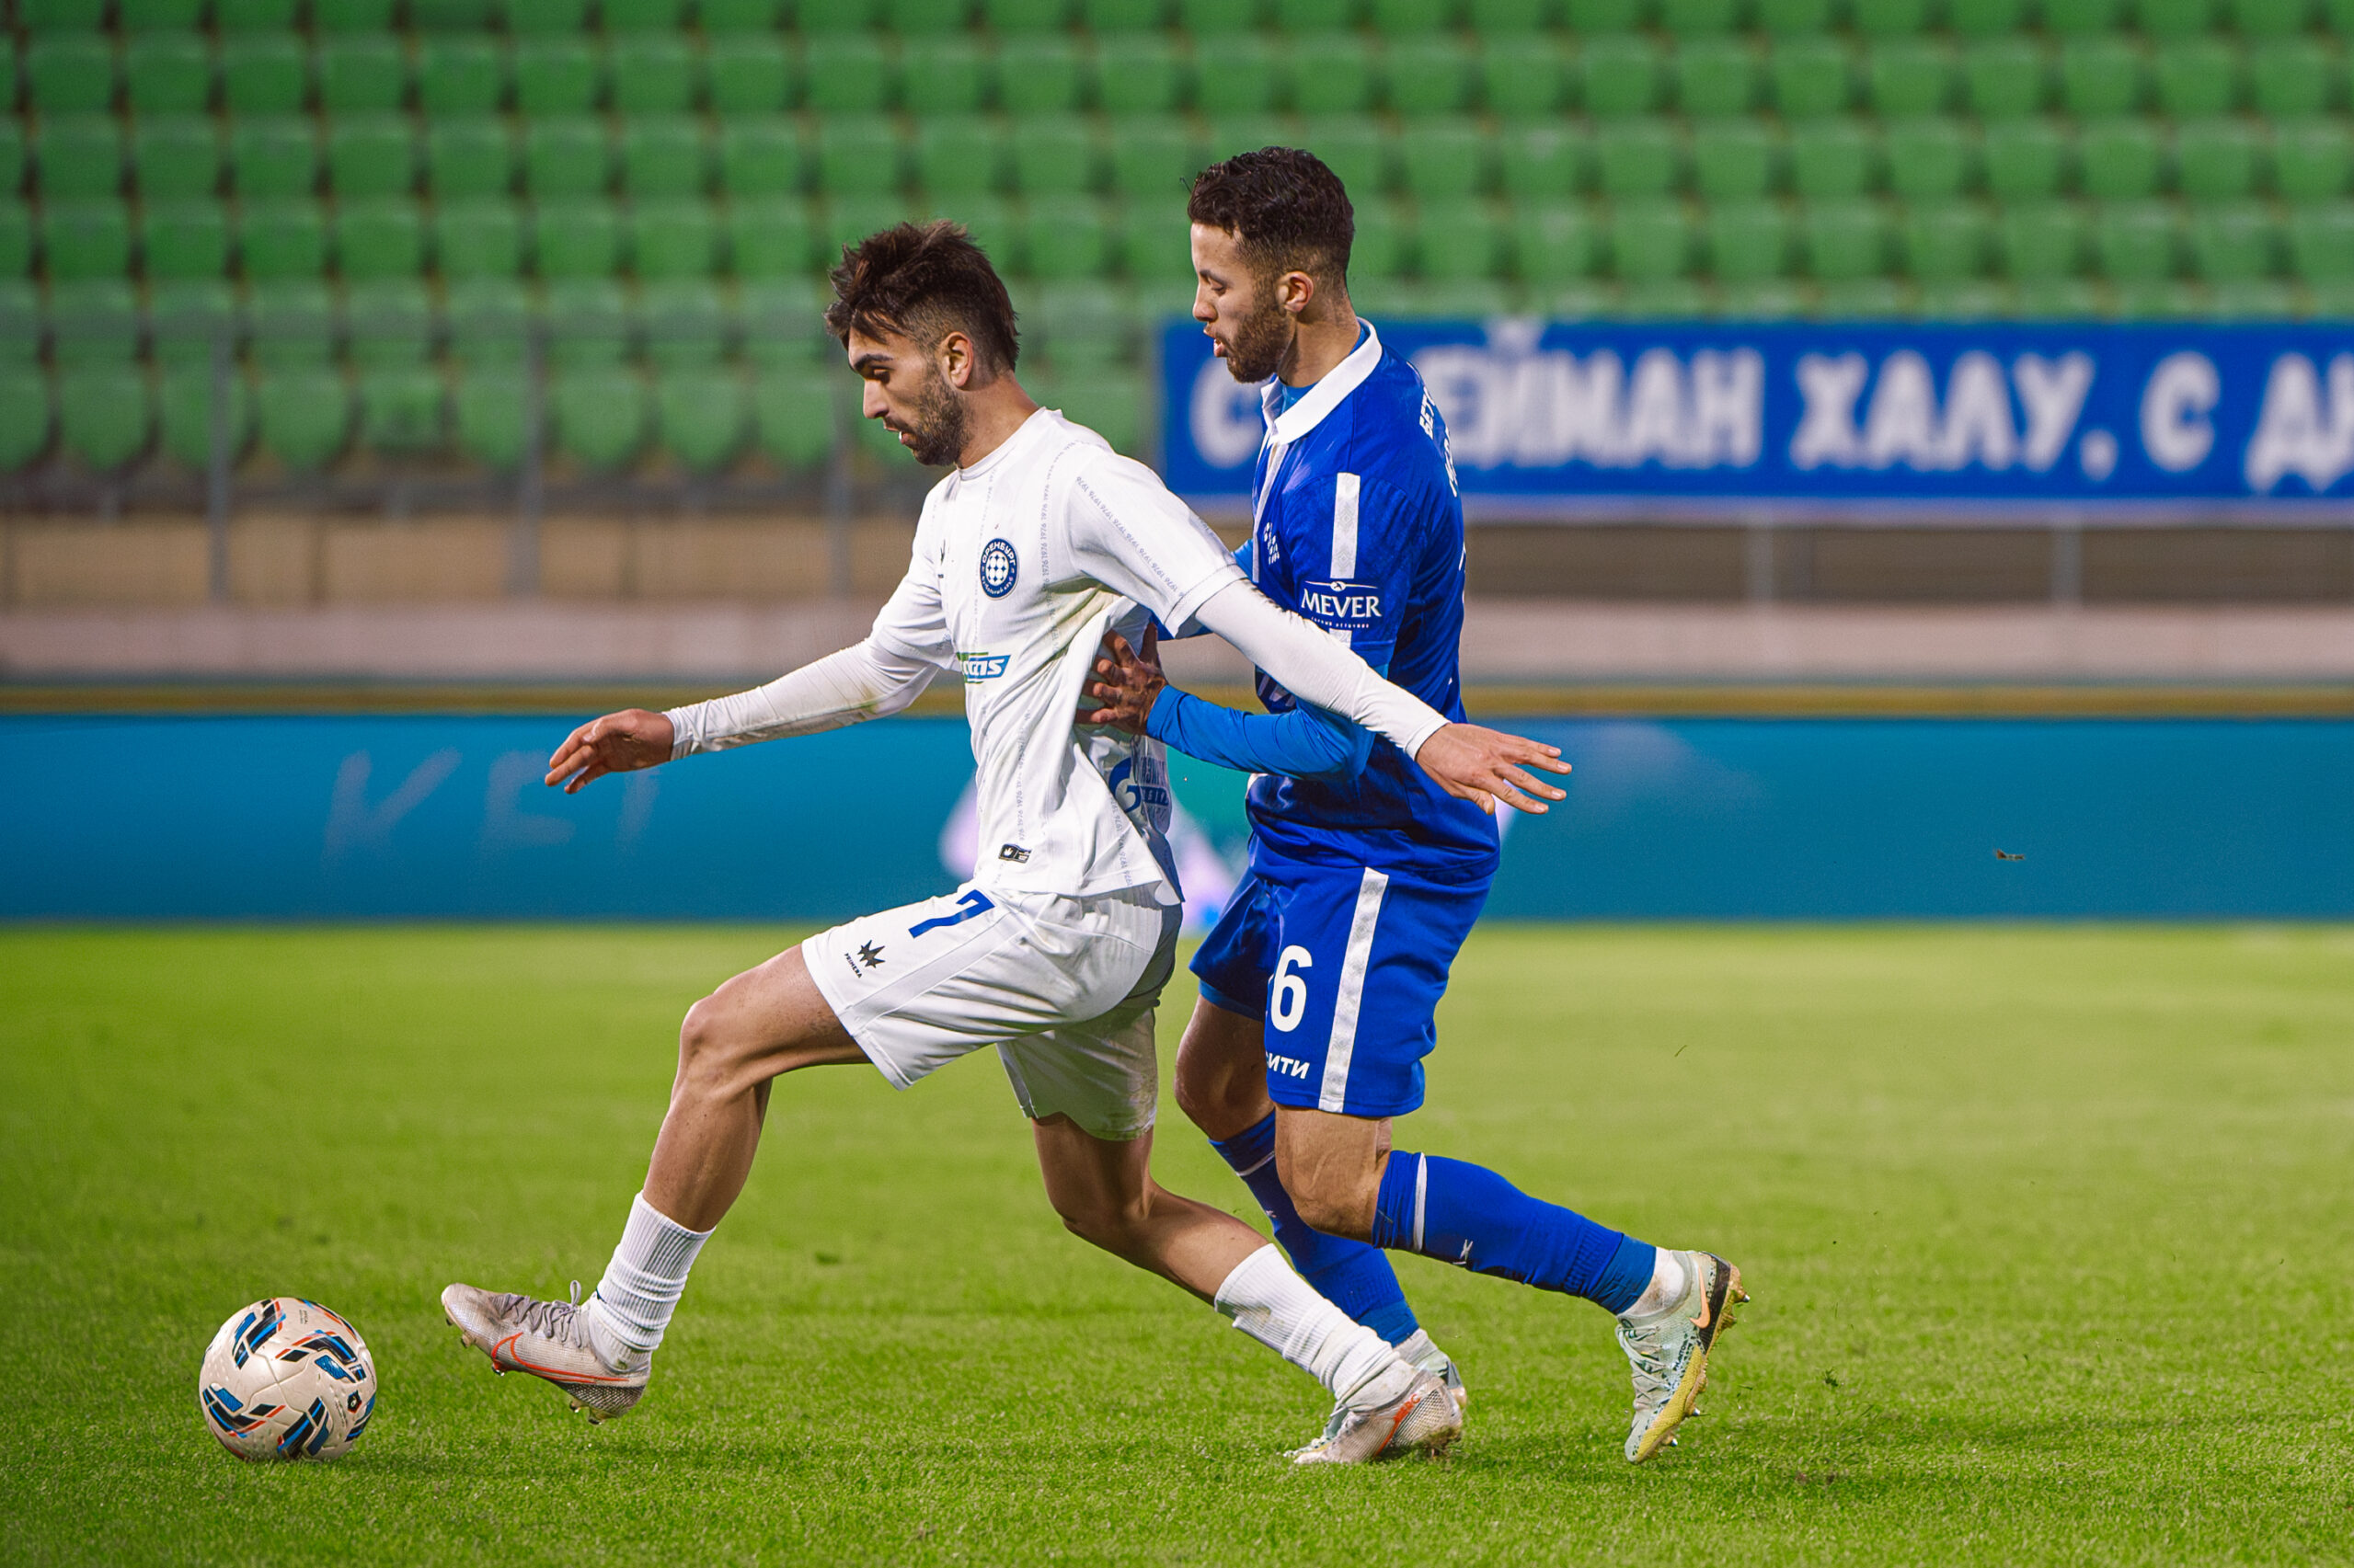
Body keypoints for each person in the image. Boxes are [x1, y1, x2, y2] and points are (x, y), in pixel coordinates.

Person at [439, 220, 1572, 1466]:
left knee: (722, 1035)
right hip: (1097, 912)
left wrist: (1424, 731)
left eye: (880, 372)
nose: (869, 403)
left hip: (1065, 903)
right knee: (1108, 1206)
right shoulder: (957, 510)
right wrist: (682, 729)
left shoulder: (1084, 482)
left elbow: (1259, 622)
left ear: (956, 355)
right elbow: (881, 672)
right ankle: (1380, 1380)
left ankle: (615, 1335)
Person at [1080, 149, 1747, 1465]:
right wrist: (1178, 603)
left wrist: (1154, 709)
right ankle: (1400, 1372)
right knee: (1216, 1083)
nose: (1198, 307)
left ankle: (1658, 1287)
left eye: (1216, 284)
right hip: (1311, 835)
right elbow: (1285, 579)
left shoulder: (1356, 467)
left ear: (1294, 288)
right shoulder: (1328, 390)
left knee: (1333, 1180)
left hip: (1371, 845)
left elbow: (1335, 735)